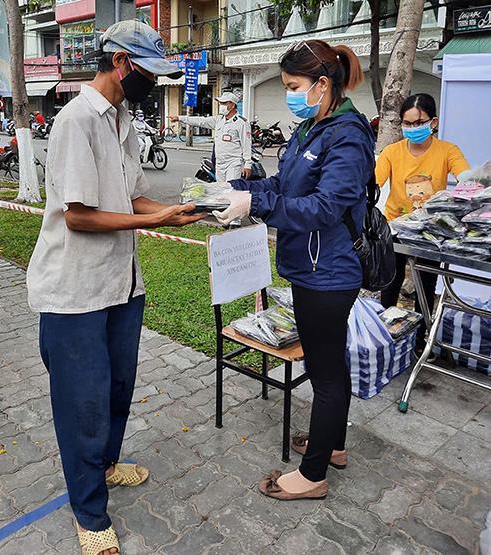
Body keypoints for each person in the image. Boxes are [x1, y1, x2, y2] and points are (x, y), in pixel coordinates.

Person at [26, 20, 202, 555]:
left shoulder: (123, 119)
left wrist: (175, 212)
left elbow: (136, 199)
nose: (156, 83)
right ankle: (88, 511)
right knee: (83, 404)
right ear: (122, 63)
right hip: (75, 291)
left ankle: (104, 466)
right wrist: (154, 222)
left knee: (117, 390)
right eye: (150, 72)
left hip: (122, 286)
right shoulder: (76, 121)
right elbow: (79, 217)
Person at [213, 40, 374, 501]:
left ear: (323, 85)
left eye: (293, 86)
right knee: (332, 365)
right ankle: (334, 446)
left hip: (328, 274)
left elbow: (324, 207)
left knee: (324, 374)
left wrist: (257, 203)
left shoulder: (348, 135)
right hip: (308, 266)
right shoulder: (311, 128)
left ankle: (312, 474)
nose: (289, 94)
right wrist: (235, 189)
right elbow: (283, 185)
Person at [376, 93, 470, 353]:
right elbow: (373, 182)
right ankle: (386, 336)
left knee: (425, 286)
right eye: (407, 124)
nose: (412, 129)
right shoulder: (392, 152)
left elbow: (466, 177)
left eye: (418, 123)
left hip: (430, 230)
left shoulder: (447, 150)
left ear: (433, 122)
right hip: (395, 226)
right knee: (389, 284)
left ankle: (419, 341)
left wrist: (474, 183)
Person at [169, 91, 252, 180]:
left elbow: (246, 145)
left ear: (232, 105)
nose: (221, 105)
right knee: (220, 190)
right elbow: (201, 121)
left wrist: (248, 164)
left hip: (233, 164)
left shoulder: (241, 123)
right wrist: (180, 118)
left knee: (231, 190)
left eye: (224, 103)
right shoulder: (219, 119)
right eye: (220, 103)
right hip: (219, 163)